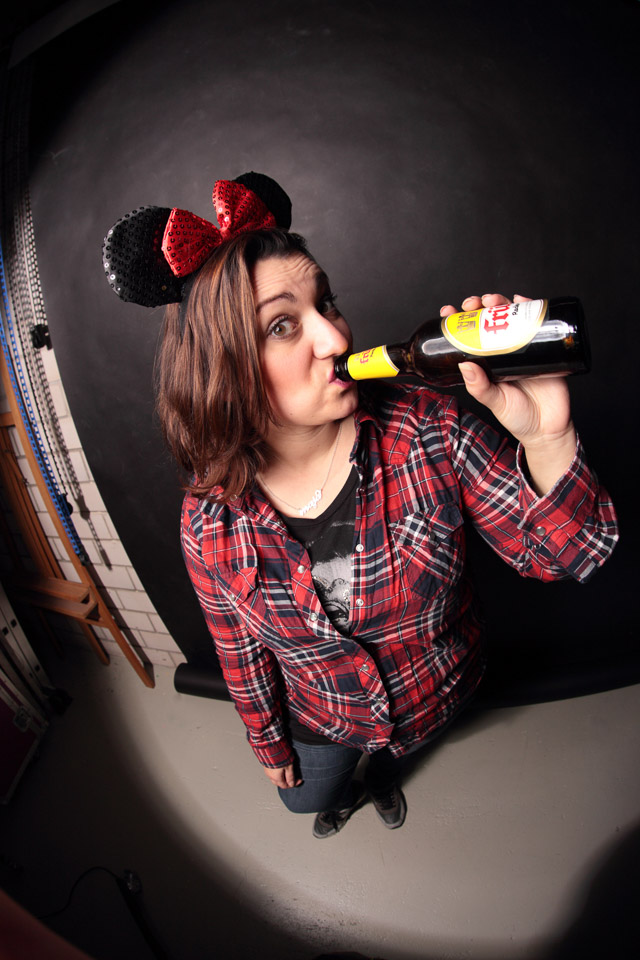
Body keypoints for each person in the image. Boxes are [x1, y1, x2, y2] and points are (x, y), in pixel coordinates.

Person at [103, 173, 619, 839]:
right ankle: (347, 789)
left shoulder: (428, 427)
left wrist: (547, 438)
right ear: (221, 368)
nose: (335, 337)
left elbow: (571, 555)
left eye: (327, 303)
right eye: (283, 325)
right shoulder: (208, 521)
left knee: (396, 762)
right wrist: (267, 741)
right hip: (325, 717)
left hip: (436, 697)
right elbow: (239, 649)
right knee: (305, 802)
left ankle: (382, 779)